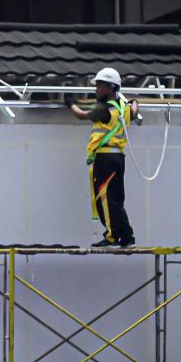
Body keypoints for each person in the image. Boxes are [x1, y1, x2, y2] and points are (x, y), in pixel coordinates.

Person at [67, 67, 140, 247]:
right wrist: (135, 101)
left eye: (100, 85)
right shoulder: (124, 108)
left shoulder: (104, 109)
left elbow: (81, 115)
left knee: (105, 199)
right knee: (116, 200)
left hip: (105, 159)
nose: (96, 89)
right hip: (118, 159)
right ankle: (127, 237)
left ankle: (112, 236)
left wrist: (69, 102)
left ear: (111, 87)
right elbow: (135, 108)